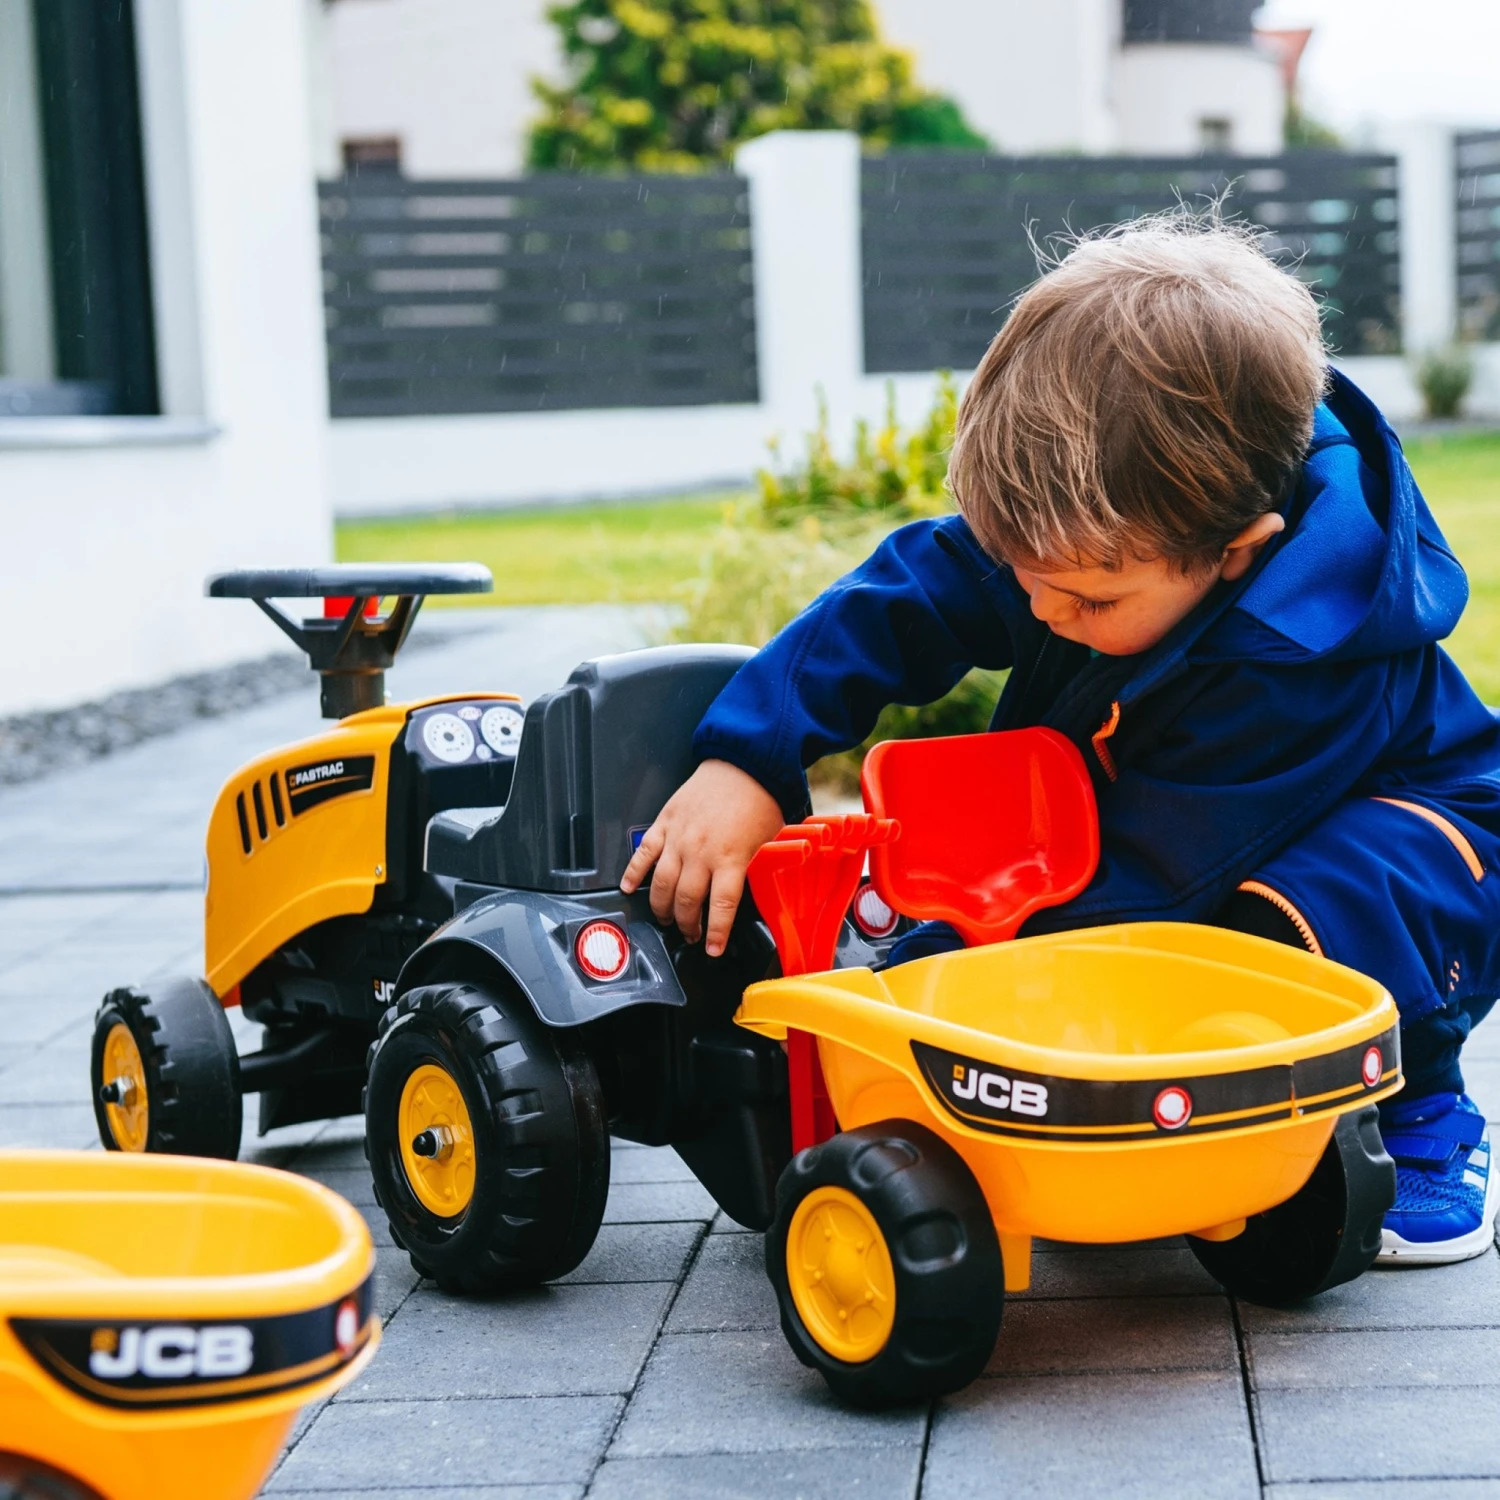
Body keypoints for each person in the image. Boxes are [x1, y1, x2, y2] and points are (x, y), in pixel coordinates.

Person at [622, 215, 1500, 1266]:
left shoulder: (1306, 658)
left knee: (1289, 916)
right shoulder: (1093, 532)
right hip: (1178, 812)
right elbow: (900, 603)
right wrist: (749, 757)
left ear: (1238, 553)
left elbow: (1149, 882)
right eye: (1022, 575)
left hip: (1422, 839)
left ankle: (1422, 1106)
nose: (1040, 611)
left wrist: (924, 985)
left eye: (1085, 600)